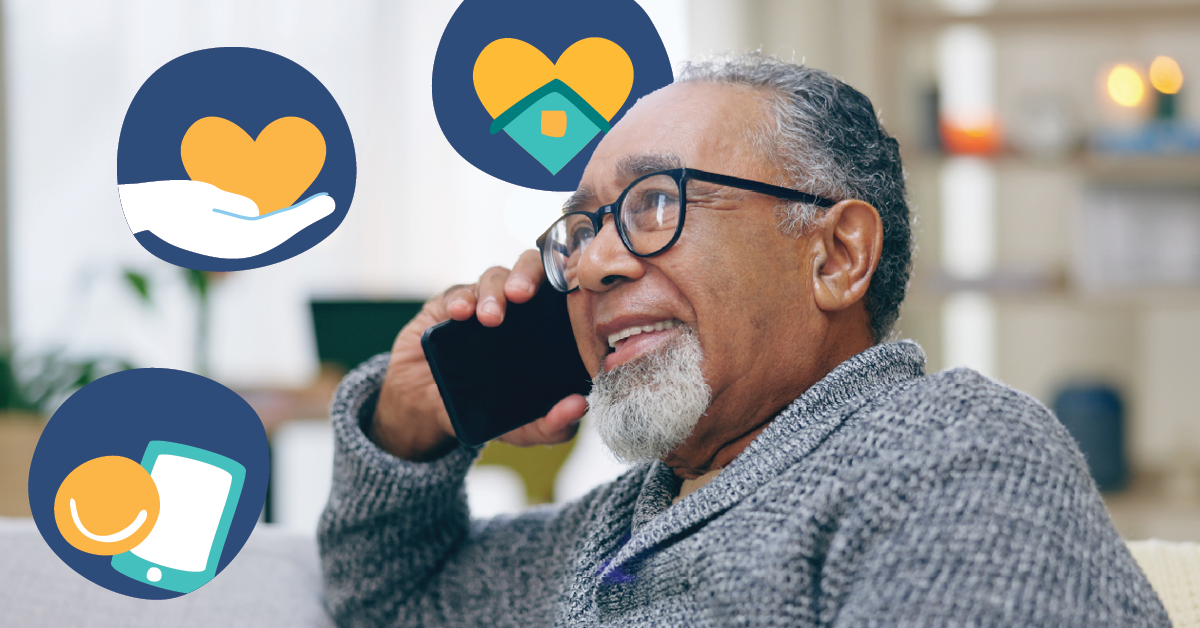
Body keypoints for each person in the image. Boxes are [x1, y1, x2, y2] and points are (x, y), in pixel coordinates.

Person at [318, 53, 1168, 627]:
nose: (595, 263)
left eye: (654, 202)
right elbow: (389, 601)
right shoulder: (613, 527)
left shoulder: (954, 455)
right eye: (580, 228)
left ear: (836, 256)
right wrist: (409, 425)